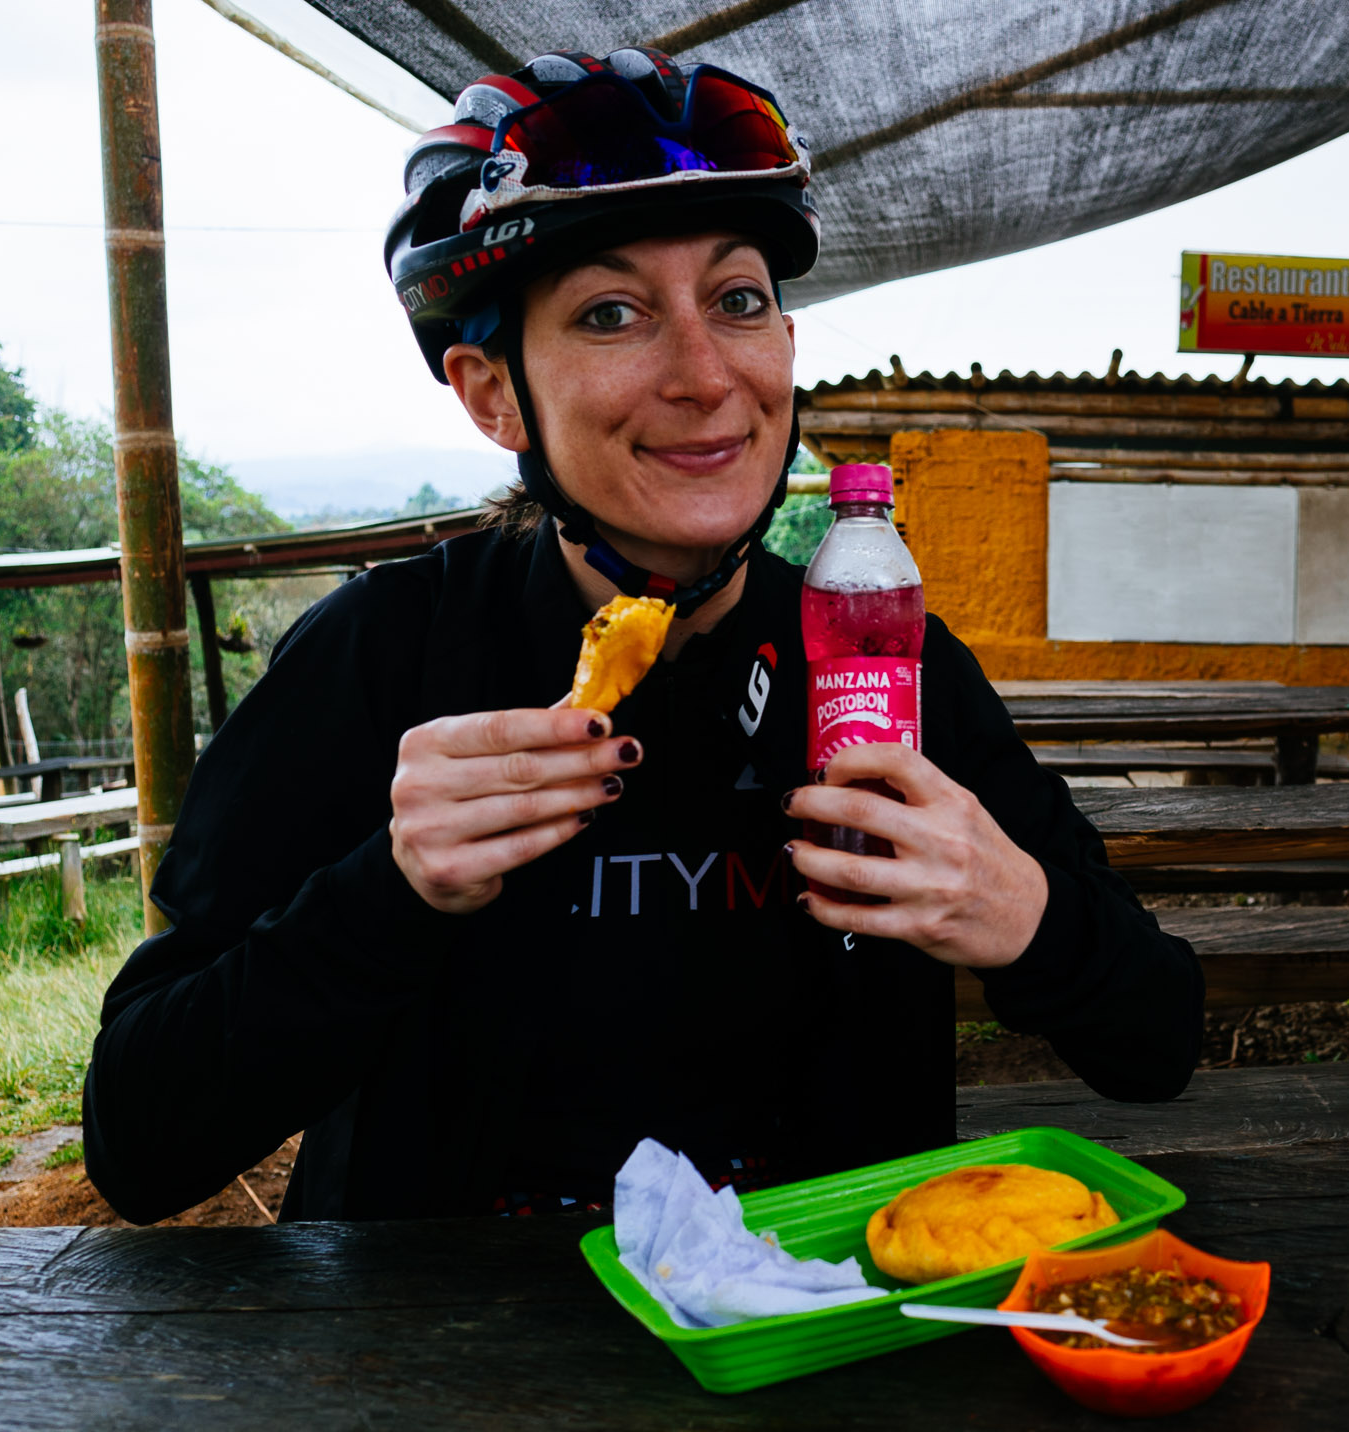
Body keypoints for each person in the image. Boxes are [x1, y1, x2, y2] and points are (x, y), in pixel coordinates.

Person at [83, 46, 1203, 1224]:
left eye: (738, 300)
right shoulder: (386, 656)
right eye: (612, 313)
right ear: (492, 393)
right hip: (453, 1363)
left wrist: (1023, 917)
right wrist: (391, 887)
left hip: (812, 1340)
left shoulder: (887, 665)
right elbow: (140, 1146)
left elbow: (1157, 1041)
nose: (706, 374)